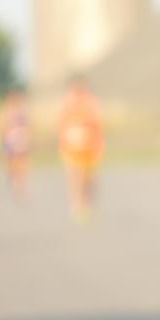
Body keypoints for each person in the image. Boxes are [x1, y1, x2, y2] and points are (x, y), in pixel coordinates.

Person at [58, 78, 104, 221]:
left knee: (88, 179)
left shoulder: (91, 103)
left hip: (89, 148)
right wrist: (62, 145)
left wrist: (99, 145)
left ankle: (86, 203)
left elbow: (98, 125)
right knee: (75, 177)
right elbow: (61, 126)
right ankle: (78, 205)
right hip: (72, 149)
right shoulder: (68, 103)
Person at [0, 90, 32, 199]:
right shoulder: (7, 112)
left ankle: (21, 184)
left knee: (22, 163)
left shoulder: (22, 111)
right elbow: (3, 126)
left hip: (21, 141)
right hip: (10, 141)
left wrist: (27, 137)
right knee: (12, 163)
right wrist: (5, 139)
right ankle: (13, 178)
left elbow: (28, 125)